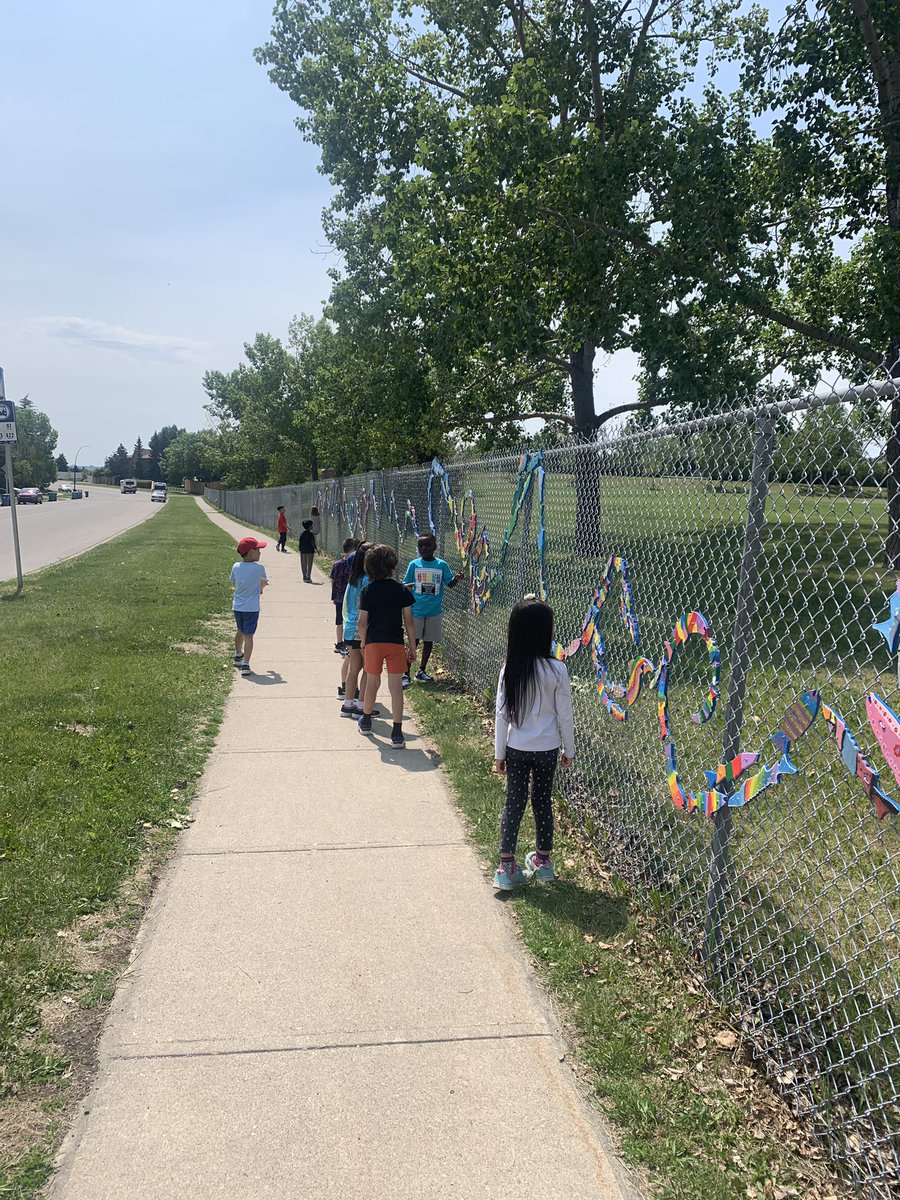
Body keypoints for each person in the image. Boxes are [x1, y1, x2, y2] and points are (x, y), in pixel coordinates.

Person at [493, 598, 574, 890]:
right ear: (545, 633)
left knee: (514, 802)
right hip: (548, 749)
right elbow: (565, 714)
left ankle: (506, 867)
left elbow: (501, 716)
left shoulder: (509, 669)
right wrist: (569, 749)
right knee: (542, 801)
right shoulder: (557, 670)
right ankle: (543, 863)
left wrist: (498, 753)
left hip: (516, 748)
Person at [356, 544, 416, 746]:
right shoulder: (401, 590)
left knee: (372, 682)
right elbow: (409, 621)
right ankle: (397, 733)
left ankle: (365, 721)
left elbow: (362, 622)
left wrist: (364, 641)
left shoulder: (367, 591)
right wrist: (413, 647)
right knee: (395, 687)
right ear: (392, 566)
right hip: (395, 643)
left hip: (373, 642)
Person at [402, 533, 463, 687]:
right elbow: (407, 585)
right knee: (413, 641)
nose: (424, 548)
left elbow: (449, 583)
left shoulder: (441, 565)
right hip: (416, 610)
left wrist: (456, 578)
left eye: (427, 545)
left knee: (428, 640)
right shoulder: (414, 565)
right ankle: (405, 672)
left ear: (435, 547)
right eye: (420, 546)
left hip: (434, 611)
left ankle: (421, 670)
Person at [339, 540, 377, 715]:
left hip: (350, 628)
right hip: (363, 629)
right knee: (369, 670)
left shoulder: (354, 577)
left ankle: (348, 705)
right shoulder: (368, 581)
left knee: (354, 668)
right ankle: (361, 706)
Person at [230, 536, 269, 676]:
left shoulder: (236, 566)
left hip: (238, 606)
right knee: (249, 636)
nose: (260, 552)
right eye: (258, 550)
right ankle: (246, 663)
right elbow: (263, 583)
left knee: (239, 630)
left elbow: (235, 581)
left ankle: (237, 654)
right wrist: (260, 589)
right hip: (251, 608)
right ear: (251, 552)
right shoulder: (259, 568)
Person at [330, 537, 358, 653]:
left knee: (339, 620)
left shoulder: (337, 564)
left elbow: (332, 580)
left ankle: (339, 643)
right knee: (345, 619)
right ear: (352, 550)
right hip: (348, 598)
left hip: (339, 596)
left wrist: (334, 594)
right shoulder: (353, 565)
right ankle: (345, 643)